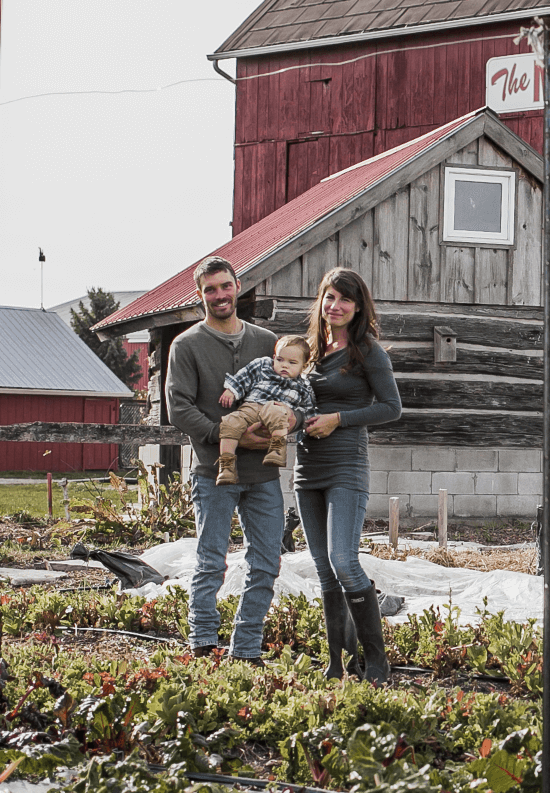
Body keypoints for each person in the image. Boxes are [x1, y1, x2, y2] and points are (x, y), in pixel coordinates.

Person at [166, 256, 283, 664]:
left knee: (267, 563)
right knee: (211, 561)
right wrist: (227, 434)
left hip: (265, 475)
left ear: (238, 287)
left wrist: (278, 428)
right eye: (210, 289)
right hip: (214, 472)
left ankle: (246, 648)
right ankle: (202, 643)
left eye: (225, 286)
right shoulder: (187, 345)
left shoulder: (267, 342)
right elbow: (178, 409)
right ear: (200, 296)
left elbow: (288, 391)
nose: (220, 295)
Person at [294, 266, 402, 682]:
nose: (334, 306)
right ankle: (339, 662)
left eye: (344, 299)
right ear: (320, 302)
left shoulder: (368, 352)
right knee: (323, 568)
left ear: (358, 308)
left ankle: (376, 659)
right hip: (308, 471)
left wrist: (338, 418)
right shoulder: (309, 352)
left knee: (344, 561)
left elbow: (391, 408)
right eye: (329, 297)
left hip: (346, 467)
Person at [215, 334, 316, 485]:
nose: (284, 365)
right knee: (230, 422)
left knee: (277, 411)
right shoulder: (263, 366)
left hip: (277, 409)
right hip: (251, 407)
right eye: (280, 360)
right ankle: (227, 466)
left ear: (304, 366)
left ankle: (277, 449)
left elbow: (309, 410)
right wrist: (232, 390)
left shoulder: (304, 386)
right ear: (274, 357)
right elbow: (245, 376)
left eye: (292, 362)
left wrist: (310, 425)